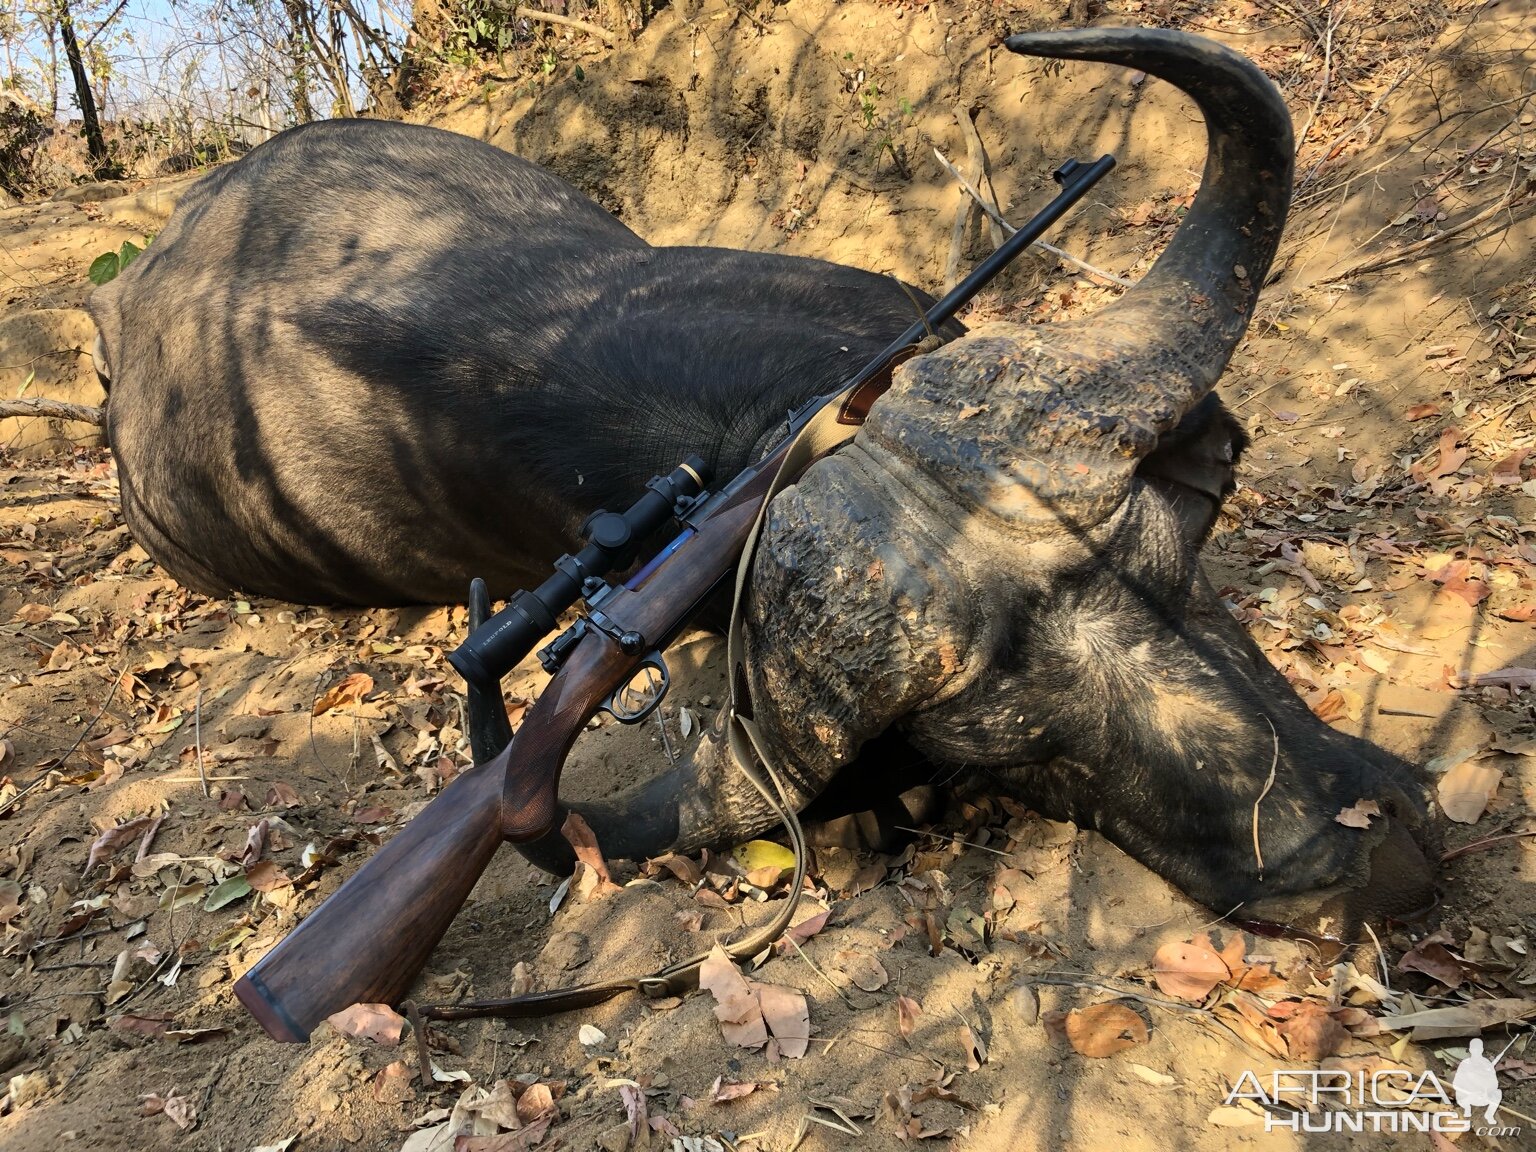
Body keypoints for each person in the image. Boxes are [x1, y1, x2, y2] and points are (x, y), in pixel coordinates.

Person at [1452, 1038, 1502, 1125]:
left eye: (1478, 1049)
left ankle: (1489, 1115)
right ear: (1470, 1050)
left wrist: (1486, 1090)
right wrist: (1470, 1090)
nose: (1476, 1052)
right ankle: (1467, 1109)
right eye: (1474, 1049)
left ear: (1482, 1050)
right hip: (1467, 1096)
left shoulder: (1487, 1064)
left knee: (1498, 1093)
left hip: (1483, 1096)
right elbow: (1456, 1084)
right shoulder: (1464, 1064)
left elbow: (1495, 1083)